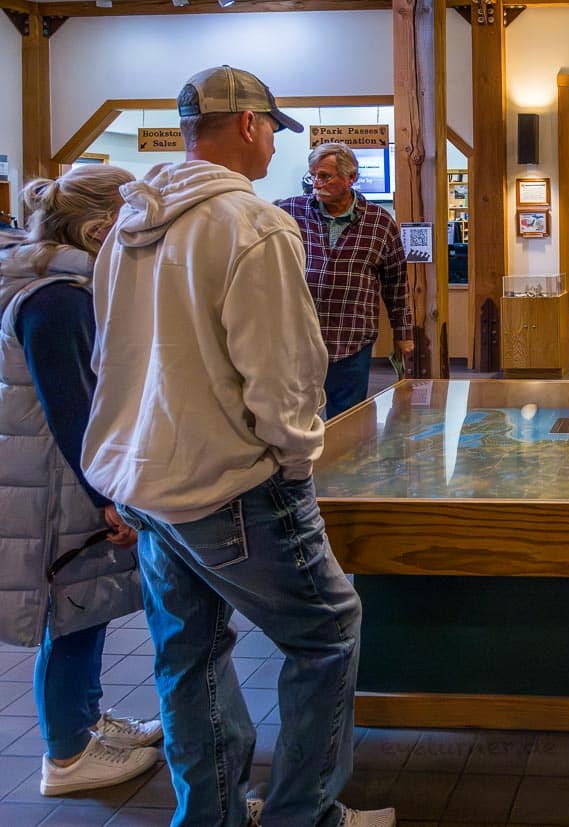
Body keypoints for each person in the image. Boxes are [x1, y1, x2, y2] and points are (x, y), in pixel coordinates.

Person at [81, 66, 394, 827]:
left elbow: (108, 359)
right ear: (250, 125)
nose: (275, 153)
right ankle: (305, 813)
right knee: (326, 634)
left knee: (188, 652)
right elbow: (284, 375)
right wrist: (295, 465)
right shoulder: (253, 226)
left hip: (146, 480)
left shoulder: (128, 225)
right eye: (273, 134)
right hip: (233, 483)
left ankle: (212, 813)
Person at [0, 165, 163, 796]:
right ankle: (68, 755)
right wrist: (109, 500)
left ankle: (82, 724)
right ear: (101, 228)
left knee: (85, 605)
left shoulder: (58, 283)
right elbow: (73, 413)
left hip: (58, 481)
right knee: (71, 611)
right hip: (58, 488)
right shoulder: (58, 296)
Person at [277, 142, 413, 418]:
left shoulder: (379, 222)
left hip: (351, 340)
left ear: (351, 178)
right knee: (295, 419)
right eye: (313, 175)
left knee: (348, 420)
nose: (316, 182)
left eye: (325, 176)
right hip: (299, 339)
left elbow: (396, 284)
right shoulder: (289, 212)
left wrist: (404, 336)